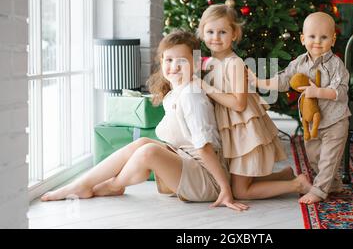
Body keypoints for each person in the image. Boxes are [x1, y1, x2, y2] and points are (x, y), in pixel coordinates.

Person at [41, 30, 248, 212]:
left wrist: (225, 189)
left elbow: (205, 147)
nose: (174, 66)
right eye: (168, 60)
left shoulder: (191, 96)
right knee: (142, 144)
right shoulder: (177, 92)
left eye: (182, 61)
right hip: (187, 162)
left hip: (207, 179)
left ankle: (114, 185)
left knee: (149, 151)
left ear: (195, 63)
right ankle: (82, 184)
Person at [196, 4, 311, 200]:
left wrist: (205, 87)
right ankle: (284, 175)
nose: (215, 37)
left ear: (234, 34)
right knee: (236, 182)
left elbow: (239, 104)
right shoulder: (207, 63)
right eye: (210, 31)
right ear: (202, 33)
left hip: (244, 133)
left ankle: (296, 184)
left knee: (240, 191)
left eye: (222, 32)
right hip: (231, 132)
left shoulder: (235, 64)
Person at [251, 11, 352, 204]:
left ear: (333, 39)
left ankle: (319, 191)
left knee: (328, 159)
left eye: (324, 37)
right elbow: (283, 80)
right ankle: (333, 185)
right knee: (315, 158)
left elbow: (341, 91)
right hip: (311, 122)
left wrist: (319, 92)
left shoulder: (336, 65)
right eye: (312, 36)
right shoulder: (299, 63)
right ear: (303, 39)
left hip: (335, 120)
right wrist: (259, 81)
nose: (317, 41)